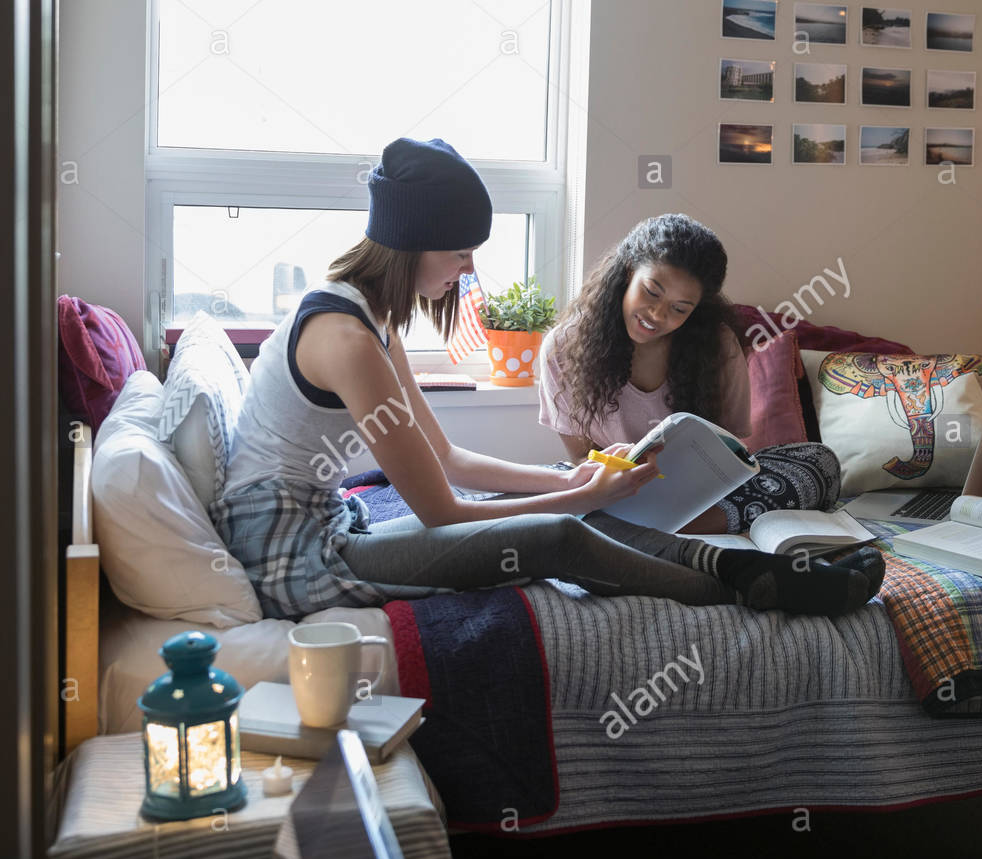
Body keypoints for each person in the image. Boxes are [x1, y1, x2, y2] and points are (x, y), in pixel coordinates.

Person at [210, 137, 884, 622]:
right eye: (459, 251)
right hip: (289, 553)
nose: (468, 271)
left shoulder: (372, 321)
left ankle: (757, 569)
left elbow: (448, 457)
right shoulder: (349, 340)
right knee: (553, 538)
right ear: (410, 241)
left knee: (576, 508)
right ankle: (749, 585)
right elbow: (442, 509)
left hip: (325, 520)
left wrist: (575, 481)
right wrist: (570, 501)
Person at [538, 212, 843, 534]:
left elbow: (728, 446)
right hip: (613, 489)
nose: (657, 314)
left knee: (819, 461)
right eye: (652, 292)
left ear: (696, 309)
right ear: (628, 272)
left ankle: (647, 526)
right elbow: (580, 459)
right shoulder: (564, 346)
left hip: (700, 491)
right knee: (536, 487)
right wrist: (620, 480)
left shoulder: (717, 345)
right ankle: (660, 525)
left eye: (679, 308)